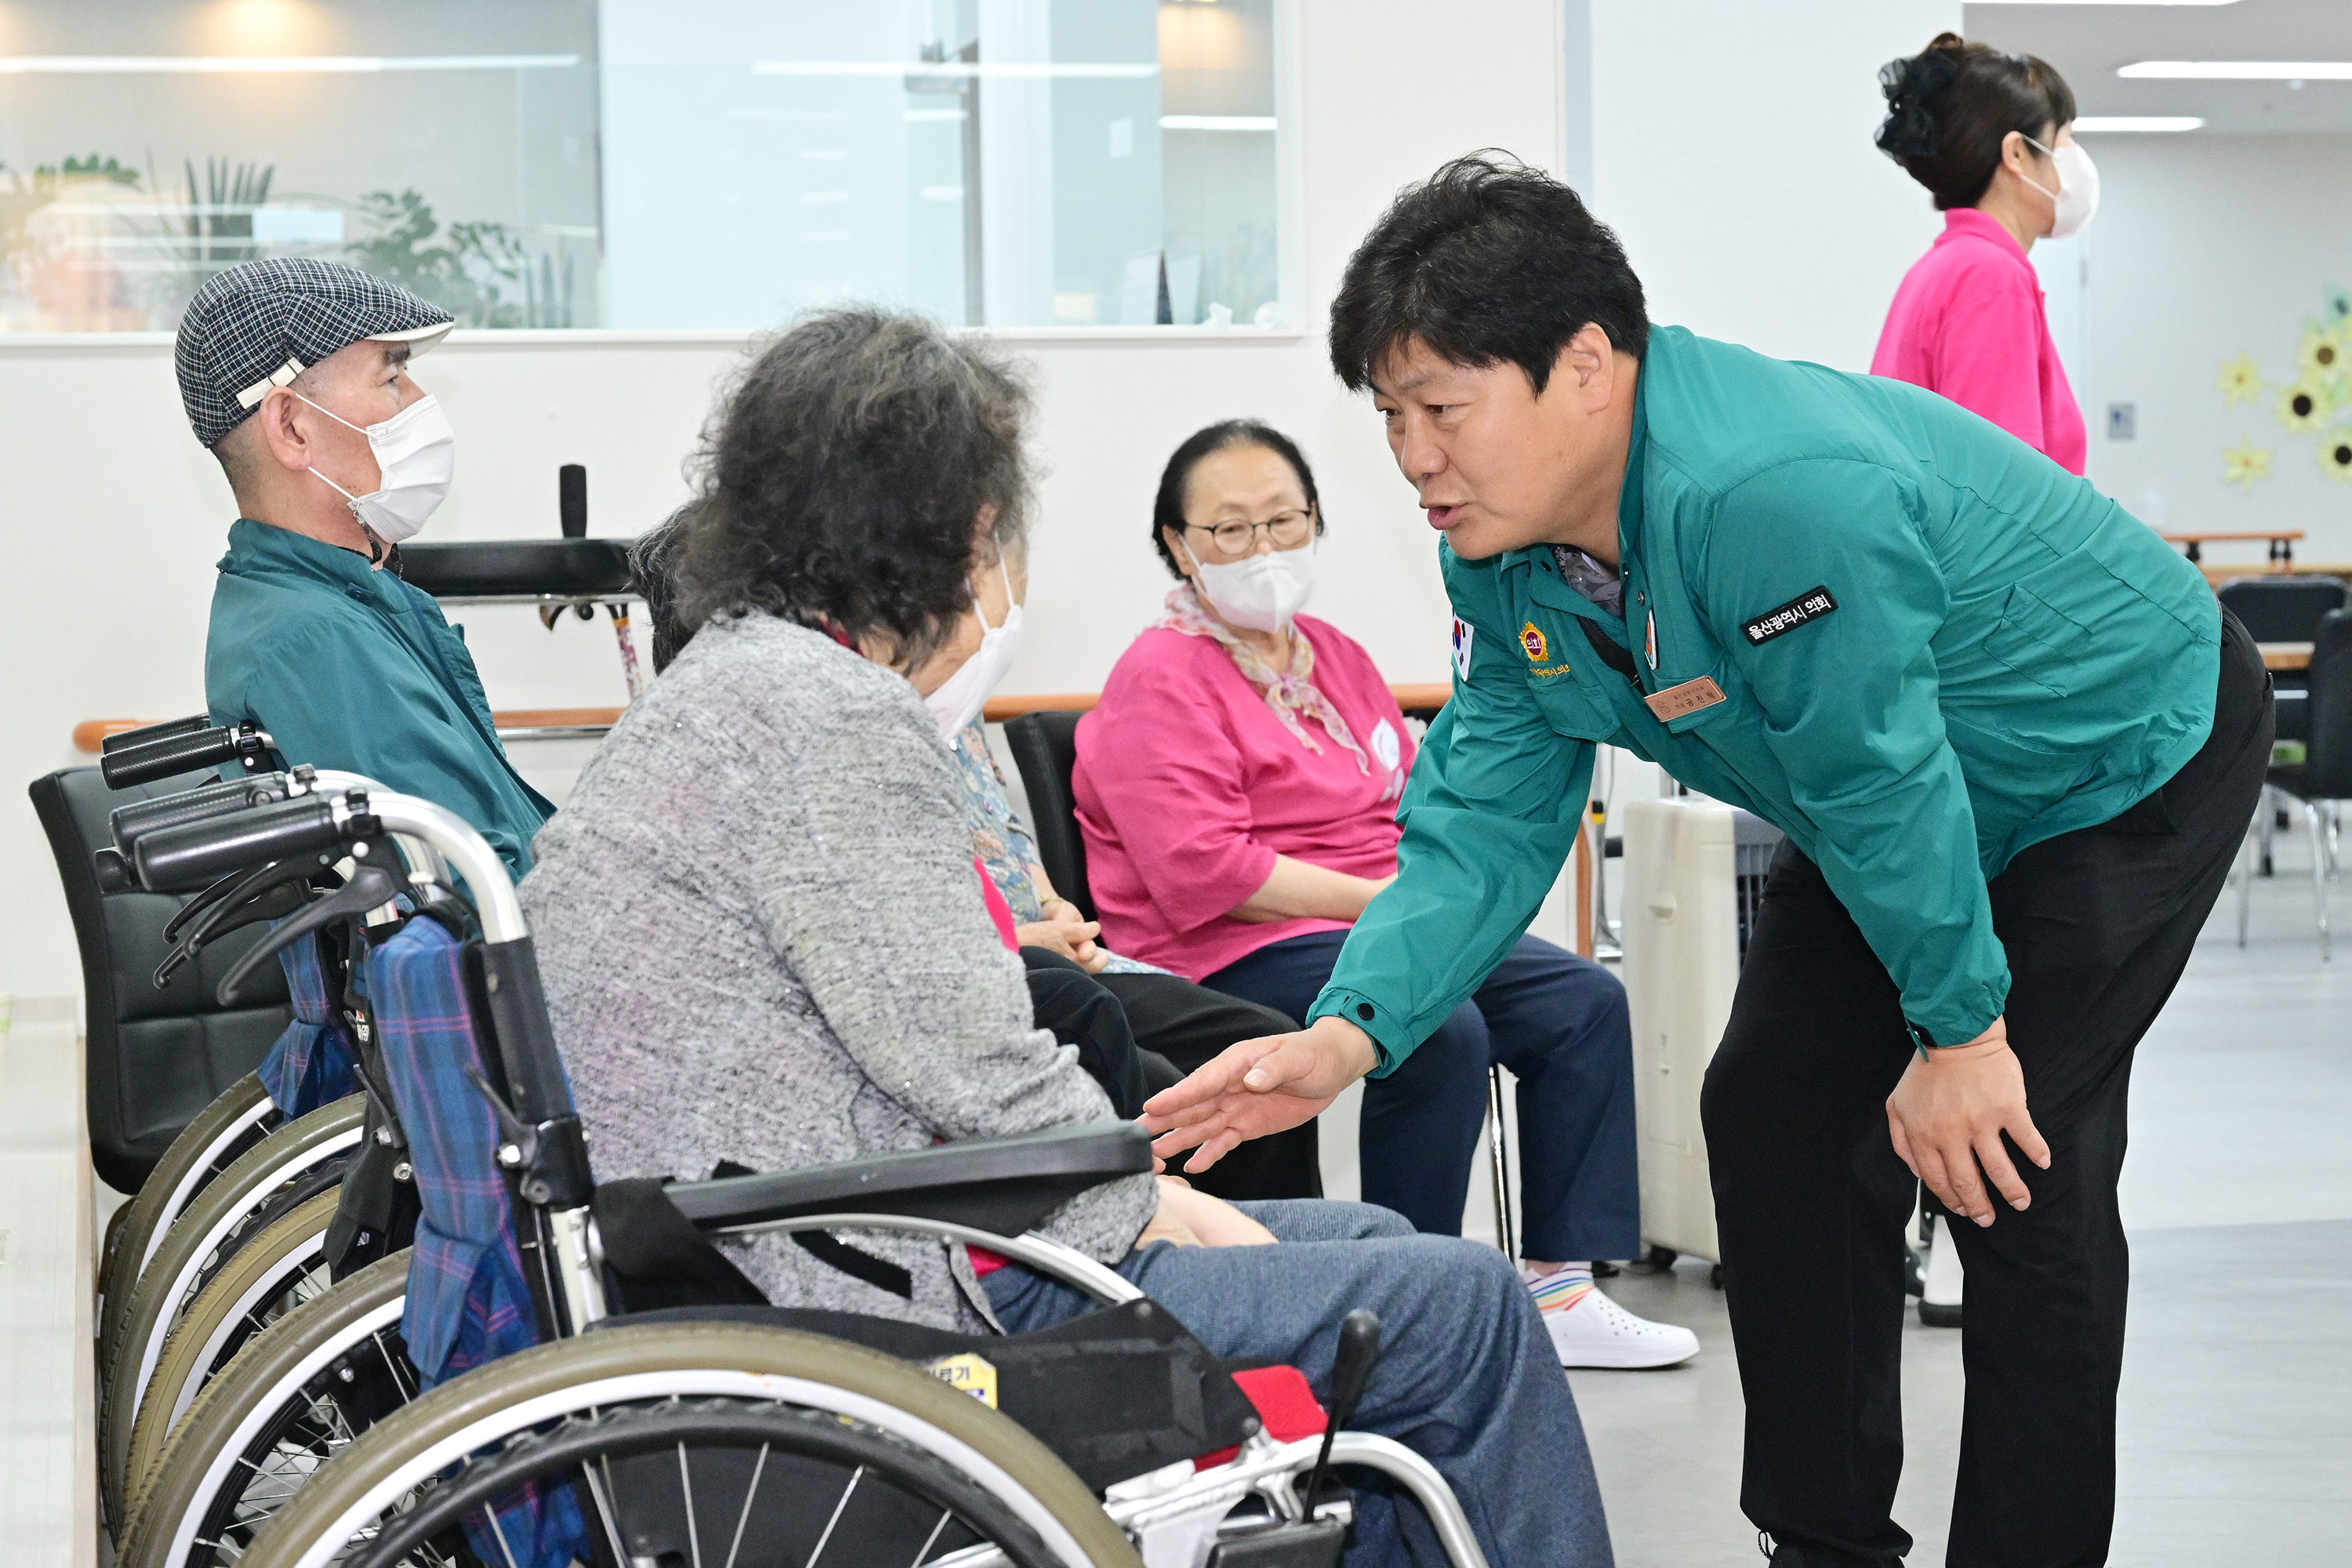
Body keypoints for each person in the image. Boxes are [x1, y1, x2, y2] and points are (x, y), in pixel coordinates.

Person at [1143, 156, 2270, 1568]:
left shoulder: (1771, 493)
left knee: (2009, 1163)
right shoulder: (1505, 553)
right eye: (1391, 418)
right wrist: (1349, 1030)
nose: (1416, 458)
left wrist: (1967, 1033)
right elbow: (1488, 810)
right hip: (1891, 790)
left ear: (1588, 368)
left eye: (1443, 409)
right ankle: (1823, 1543)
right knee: (1779, 1113)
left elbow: (1881, 770)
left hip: (2112, 753)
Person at [521, 307, 1613, 1568]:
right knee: (1467, 1305)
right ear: (955, 531)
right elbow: (968, 1064)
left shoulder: (733, 685)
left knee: (1384, 1252)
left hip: (763, 1234)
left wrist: (1136, 1194)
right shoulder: (833, 729)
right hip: (870, 1281)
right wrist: (1137, 1197)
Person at [1074, 419, 1696, 1370]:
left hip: (1375, 915)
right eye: (1230, 530)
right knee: (1434, 1026)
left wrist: (1428, 908)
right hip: (1235, 944)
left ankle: (1560, 1285)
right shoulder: (1159, 677)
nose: (1262, 549)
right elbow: (1207, 870)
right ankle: (1408, 1290)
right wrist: (1386, 908)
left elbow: (1410, 796)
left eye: (1283, 520)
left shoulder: (1335, 657)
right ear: (1177, 545)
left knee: (1581, 1001)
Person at [627, 511, 1321, 1202]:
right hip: (943, 997)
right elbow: (854, 951)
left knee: (1257, 1052)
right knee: (1130, 1054)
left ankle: (1263, 1256)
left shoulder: (907, 703)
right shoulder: (750, 760)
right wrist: (1019, 939)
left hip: (1017, 952)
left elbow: (1000, 839)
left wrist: (1049, 907)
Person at [180, 256, 554, 875]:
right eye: (392, 377)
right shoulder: (318, 641)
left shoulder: (339, 604)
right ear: (293, 428)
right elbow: (477, 886)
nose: (421, 402)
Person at [1871, 33, 2092, 474]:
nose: (2076, 161)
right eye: (2063, 141)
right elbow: (2000, 489)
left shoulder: (1946, 266)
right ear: (2017, 155)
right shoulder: (1990, 276)